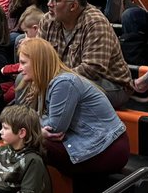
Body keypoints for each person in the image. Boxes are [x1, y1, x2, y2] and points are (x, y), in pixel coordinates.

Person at [14, 38, 129, 176]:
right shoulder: (43, 82)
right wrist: (37, 127)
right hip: (88, 143)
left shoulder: (63, 82)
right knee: (22, 137)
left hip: (107, 149)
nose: (19, 68)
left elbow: (54, 128)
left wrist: (35, 128)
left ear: (38, 62)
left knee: (25, 139)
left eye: (23, 63)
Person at [37, 0, 132, 108]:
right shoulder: (48, 20)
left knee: (64, 89)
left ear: (73, 6)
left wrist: (53, 78)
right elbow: (38, 57)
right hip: (64, 78)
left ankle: (53, 126)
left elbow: (92, 70)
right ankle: (24, 123)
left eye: (56, 0)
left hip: (110, 84)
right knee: (24, 80)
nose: (49, 4)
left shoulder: (95, 23)